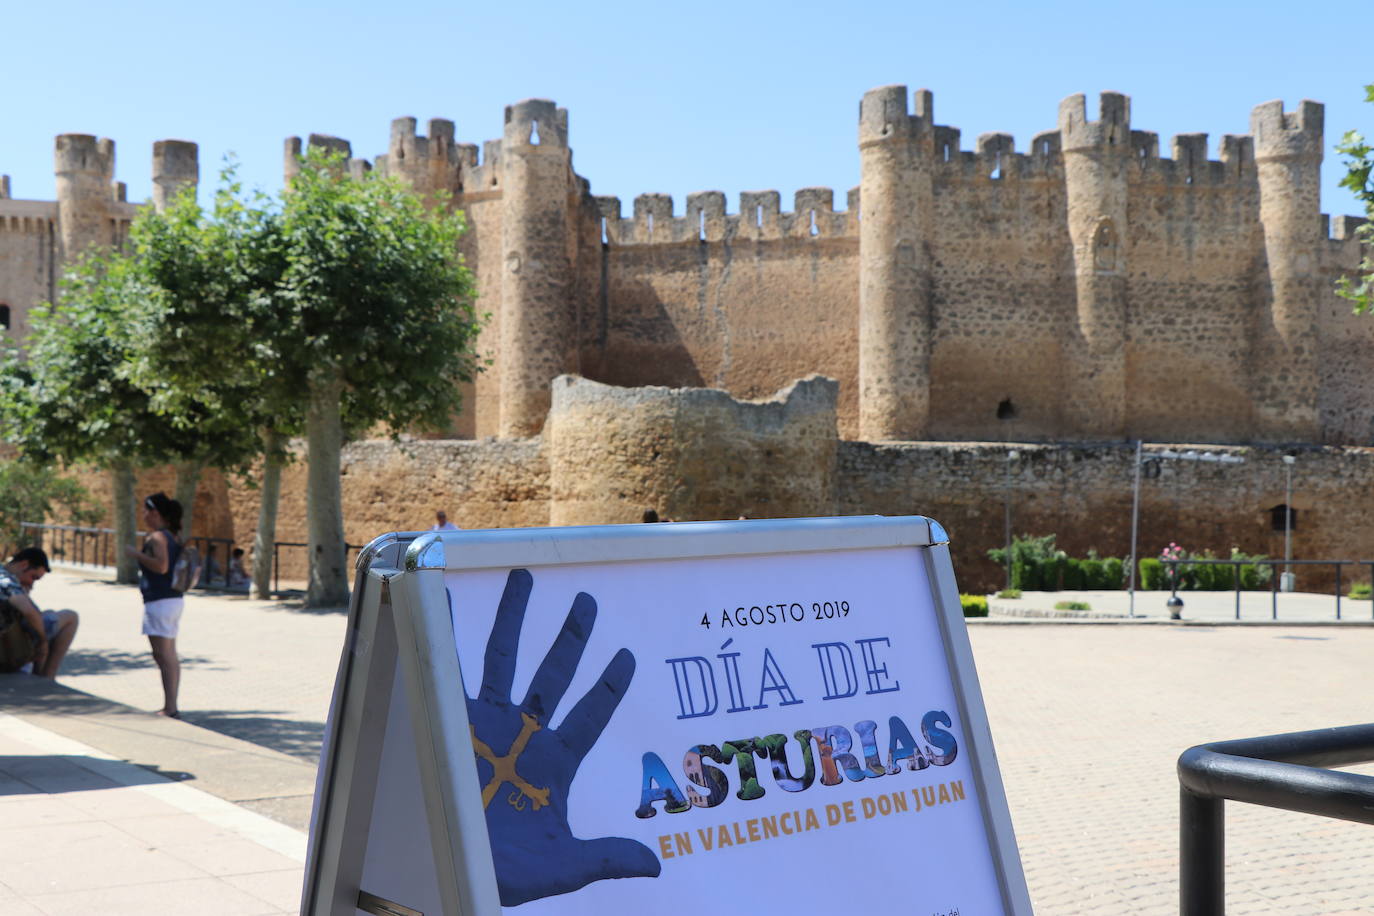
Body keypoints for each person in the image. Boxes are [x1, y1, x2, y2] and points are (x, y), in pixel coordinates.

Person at [124, 492, 185, 718]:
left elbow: (161, 566)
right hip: (171, 599)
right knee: (167, 654)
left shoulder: (158, 537)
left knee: (163, 654)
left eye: (145, 511)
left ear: (155, 513)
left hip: (160, 600)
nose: (143, 515)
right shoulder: (172, 536)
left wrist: (135, 554)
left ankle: (170, 707)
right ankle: (171, 705)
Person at [0, 547, 78, 678]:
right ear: (24, 564)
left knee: (47, 615)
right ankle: (47, 678)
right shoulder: (6, 581)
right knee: (71, 616)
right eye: (33, 577)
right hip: (9, 649)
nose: (32, 583)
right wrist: (43, 641)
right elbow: (28, 611)